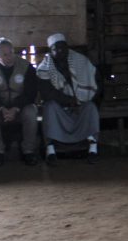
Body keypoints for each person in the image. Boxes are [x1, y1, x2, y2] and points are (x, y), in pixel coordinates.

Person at [37, 33, 100, 166]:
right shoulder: (45, 68)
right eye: (56, 49)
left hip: (80, 105)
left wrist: (78, 101)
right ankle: (51, 151)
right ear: (51, 51)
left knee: (91, 108)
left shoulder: (80, 61)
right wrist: (68, 101)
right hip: (60, 107)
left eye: (63, 48)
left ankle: (93, 149)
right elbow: (47, 93)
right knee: (49, 107)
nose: (60, 52)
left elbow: (92, 83)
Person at [0, 37, 39, 166]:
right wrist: (1, 108)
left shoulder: (26, 67)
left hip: (21, 107)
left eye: (11, 53)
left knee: (31, 113)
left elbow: (31, 93)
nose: (9, 57)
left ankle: (28, 151)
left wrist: (15, 108)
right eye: (5, 55)